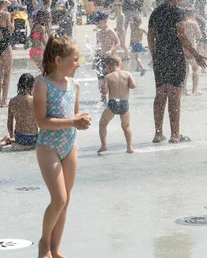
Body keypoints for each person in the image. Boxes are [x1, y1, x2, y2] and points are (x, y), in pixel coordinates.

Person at [33, 35, 92, 258]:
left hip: (70, 145)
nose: (78, 64)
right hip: (48, 146)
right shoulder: (42, 84)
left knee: (66, 200)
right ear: (59, 60)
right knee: (58, 199)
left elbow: (72, 114)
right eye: (75, 59)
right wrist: (73, 122)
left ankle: (56, 249)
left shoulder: (74, 85)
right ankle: (44, 243)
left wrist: (81, 119)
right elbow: (42, 121)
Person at [148, 0, 207, 144]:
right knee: (174, 95)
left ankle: (158, 134)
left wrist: (154, 54)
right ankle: (175, 135)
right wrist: (196, 54)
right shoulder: (177, 12)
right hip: (174, 56)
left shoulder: (156, 12)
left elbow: (150, 35)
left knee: (160, 94)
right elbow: (181, 35)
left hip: (160, 57)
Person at [97, 55, 136, 154]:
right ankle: (129, 147)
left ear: (108, 67)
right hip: (124, 104)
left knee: (102, 124)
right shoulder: (127, 74)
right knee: (126, 126)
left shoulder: (108, 76)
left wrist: (102, 88)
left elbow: (104, 92)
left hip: (113, 104)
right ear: (121, 66)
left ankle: (104, 146)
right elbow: (133, 86)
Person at [0, 73, 37, 151]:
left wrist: (12, 136)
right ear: (32, 85)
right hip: (33, 138)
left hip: (19, 137)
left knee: (18, 139)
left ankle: (9, 140)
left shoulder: (12, 101)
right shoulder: (34, 100)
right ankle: (13, 142)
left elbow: (9, 122)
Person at [93, 11, 120, 104]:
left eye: (98, 22)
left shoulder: (110, 31)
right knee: (100, 78)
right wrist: (94, 61)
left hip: (108, 58)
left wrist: (111, 51)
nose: (97, 24)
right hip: (99, 58)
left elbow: (118, 43)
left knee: (109, 78)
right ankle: (103, 97)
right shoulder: (98, 33)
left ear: (104, 21)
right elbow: (97, 47)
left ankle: (112, 97)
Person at [183, 8, 202, 95]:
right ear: (192, 14)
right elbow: (199, 36)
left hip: (182, 49)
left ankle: (184, 90)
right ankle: (195, 89)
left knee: (185, 70)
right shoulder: (193, 23)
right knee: (197, 69)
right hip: (191, 49)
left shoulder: (181, 23)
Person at [0, 0, 14, 107]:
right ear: (4, 3)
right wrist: (13, 18)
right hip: (5, 44)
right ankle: (4, 100)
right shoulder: (6, 14)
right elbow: (10, 30)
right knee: (7, 73)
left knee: (0, 73)